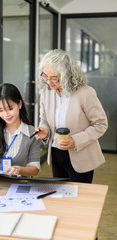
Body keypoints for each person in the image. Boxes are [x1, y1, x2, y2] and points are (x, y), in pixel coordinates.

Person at [35, 49, 108, 183]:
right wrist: (44, 130)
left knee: (78, 200)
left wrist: (75, 140)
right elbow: (44, 119)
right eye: (45, 76)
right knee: (60, 199)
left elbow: (101, 124)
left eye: (54, 78)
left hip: (81, 157)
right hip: (56, 156)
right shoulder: (47, 92)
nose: (49, 82)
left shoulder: (85, 93)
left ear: (67, 75)